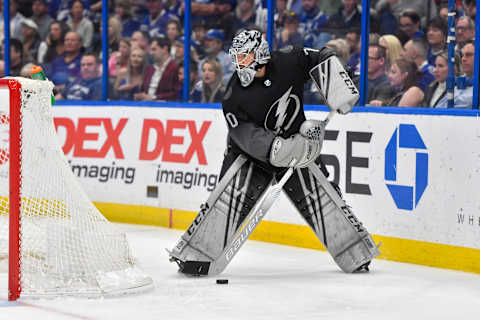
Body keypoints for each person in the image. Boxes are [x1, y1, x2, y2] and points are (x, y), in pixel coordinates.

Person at [168, 29, 378, 276]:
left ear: (259, 55)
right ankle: (194, 258)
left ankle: (357, 254)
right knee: (223, 205)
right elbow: (249, 138)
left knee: (325, 199)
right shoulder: (233, 97)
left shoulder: (289, 60)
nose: (238, 64)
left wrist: (336, 76)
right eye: (237, 57)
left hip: (297, 145)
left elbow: (320, 56)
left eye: (244, 57)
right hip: (250, 156)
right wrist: (286, 149)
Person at [134, 37, 179, 101]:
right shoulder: (149, 69)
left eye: (154, 49)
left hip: (164, 107)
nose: (151, 53)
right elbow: (143, 90)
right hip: (145, 106)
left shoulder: (175, 67)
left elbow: (176, 93)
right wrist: (139, 95)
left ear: (164, 49)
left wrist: (154, 97)